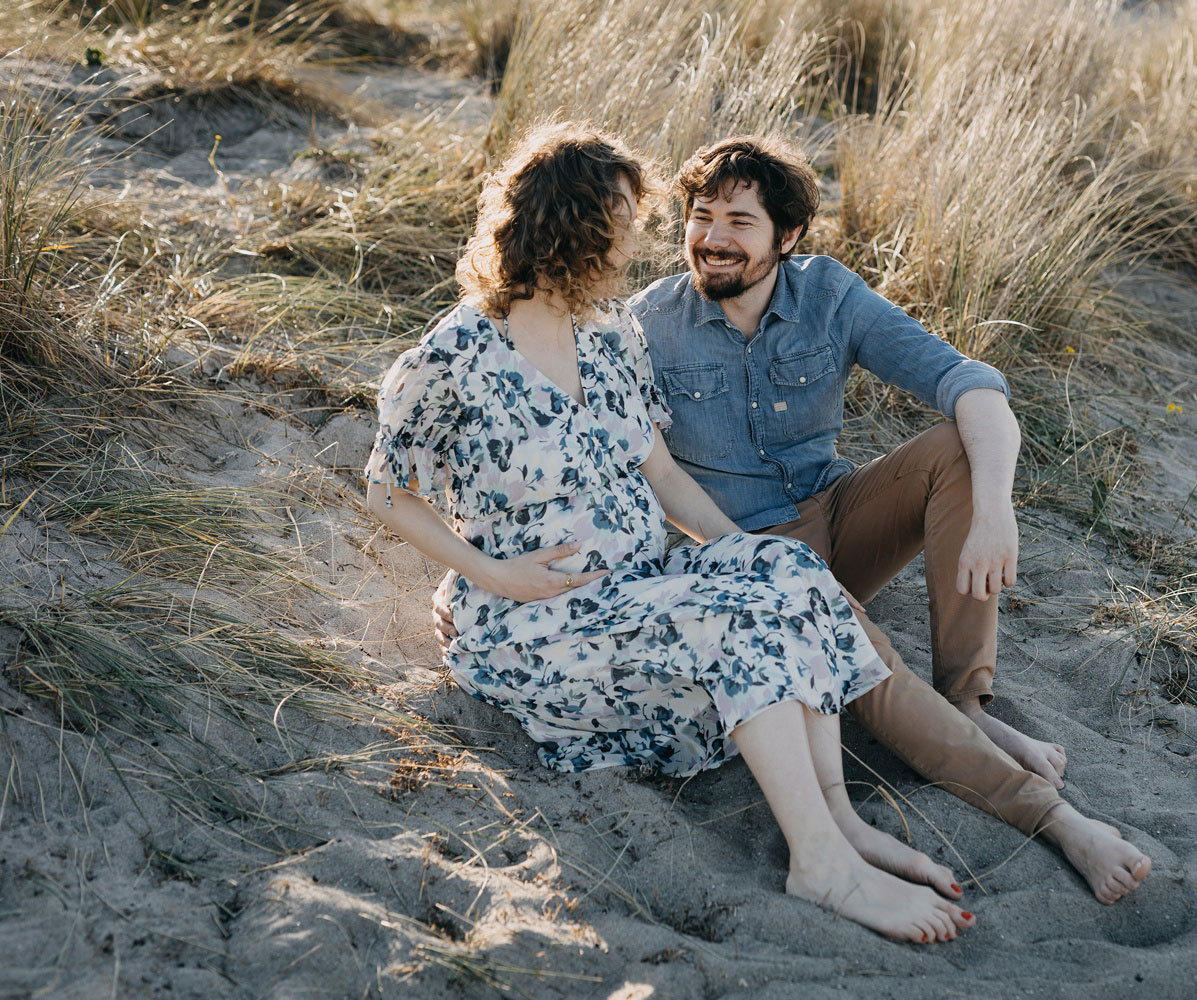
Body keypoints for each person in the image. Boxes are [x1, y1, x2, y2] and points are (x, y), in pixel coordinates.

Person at [442, 134, 1150, 905]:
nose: (713, 238)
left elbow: (969, 383)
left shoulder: (829, 294)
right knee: (868, 665)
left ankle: (967, 701)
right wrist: (467, 575)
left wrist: (995, 511)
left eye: (740, 222)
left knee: (961, 449)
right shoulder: (643, 326)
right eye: (701, 217)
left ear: (787, 237)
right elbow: (549, 457)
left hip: (840, 510)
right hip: (745, 545)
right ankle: (1053, 819)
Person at [365, 122, 976, 943]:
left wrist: (749, 555)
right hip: (538, 620)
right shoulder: (457, 355)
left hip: (636, 591)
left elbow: (664, 477)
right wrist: (488, 572)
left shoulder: (609, 334)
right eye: (622, 220)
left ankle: (837, 819)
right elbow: (387, 491)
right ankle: (818, 863)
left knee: (783, 572)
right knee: (734, 616)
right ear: (572, 227)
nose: (638, 239)